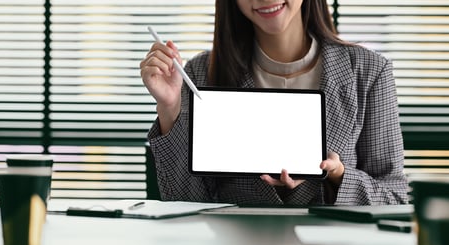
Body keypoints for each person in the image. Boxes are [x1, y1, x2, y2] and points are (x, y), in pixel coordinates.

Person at [139, 0, 408, 206]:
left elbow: (395, 199)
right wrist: (169, 108)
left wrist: (338, 176)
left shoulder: (369, 71)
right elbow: (183, 201)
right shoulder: (200, 73)